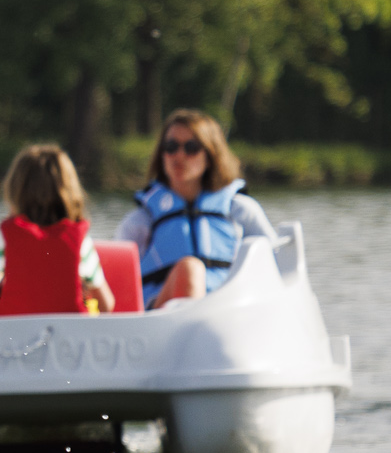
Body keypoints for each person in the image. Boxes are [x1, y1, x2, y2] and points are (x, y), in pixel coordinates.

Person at [116, 109, 276, 306]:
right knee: (190, 270)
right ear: (162, 154)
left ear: (210, 155)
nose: (179, 156)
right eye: (171, 146)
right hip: (161, 317)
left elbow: (277, 263)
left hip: (229, 310)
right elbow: (118, 284)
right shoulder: (141, 220)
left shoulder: (240, 210)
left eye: (191, 147)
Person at [0, 143, 114, 315]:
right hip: (70, 336)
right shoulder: (80, 241)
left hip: (14, 336)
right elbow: (107, 303)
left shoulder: (6, 236)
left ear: (15, 190)